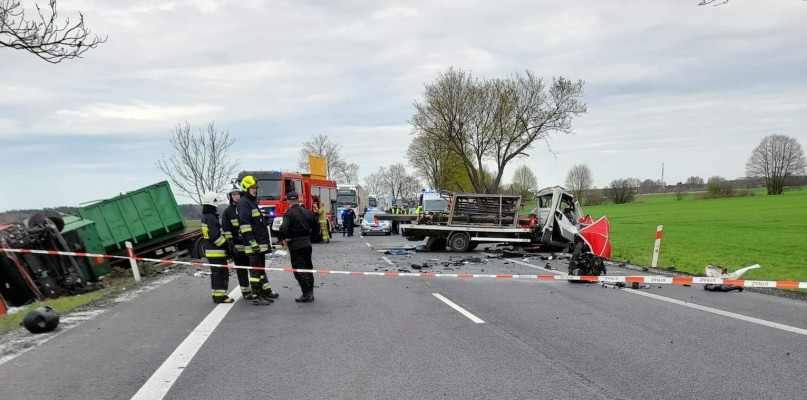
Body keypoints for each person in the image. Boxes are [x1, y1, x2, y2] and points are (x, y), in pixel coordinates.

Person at [237, 175, 278, 305]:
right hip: (254, 245)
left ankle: (260, 293)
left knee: (260, 271)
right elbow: (245, 225)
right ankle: (256, 295)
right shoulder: (244, 203)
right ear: (245, 188)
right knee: (255, 271)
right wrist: (252, 242)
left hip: (260, 243)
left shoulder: (252, 202)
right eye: (252, 188)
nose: (255, 190)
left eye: (255, 188)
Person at [280, 191, 318, 302]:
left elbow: (283, 229)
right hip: (307, 243)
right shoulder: (307, 212)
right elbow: (316, 226)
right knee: (308, 268)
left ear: (288, 201)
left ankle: (306, 294)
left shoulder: (289, 213)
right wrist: (310, 237)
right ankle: (310, 292)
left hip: (295, 244)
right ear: (298, 200)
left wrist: (285, 239)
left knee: (299, 270)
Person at [221, 186, 254, 300]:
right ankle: (246, 292)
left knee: (254, 269)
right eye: (234, 195)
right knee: (241, 270)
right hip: (238, 248)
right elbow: (227, 232)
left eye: (238, 194)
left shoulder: (246, 207)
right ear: (230, 196)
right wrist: (231, 247)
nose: (236, 196)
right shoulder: (227, 212)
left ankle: (257, 290)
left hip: (250, 246)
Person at [200, 192, 233, 304]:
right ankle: (221, 296)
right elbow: (215, 237)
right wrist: (227, 245)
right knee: (221, 274)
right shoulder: (211, 218)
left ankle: (215, 294)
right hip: (217, 252)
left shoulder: (205, 217)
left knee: (215, 274)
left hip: (210, 252)